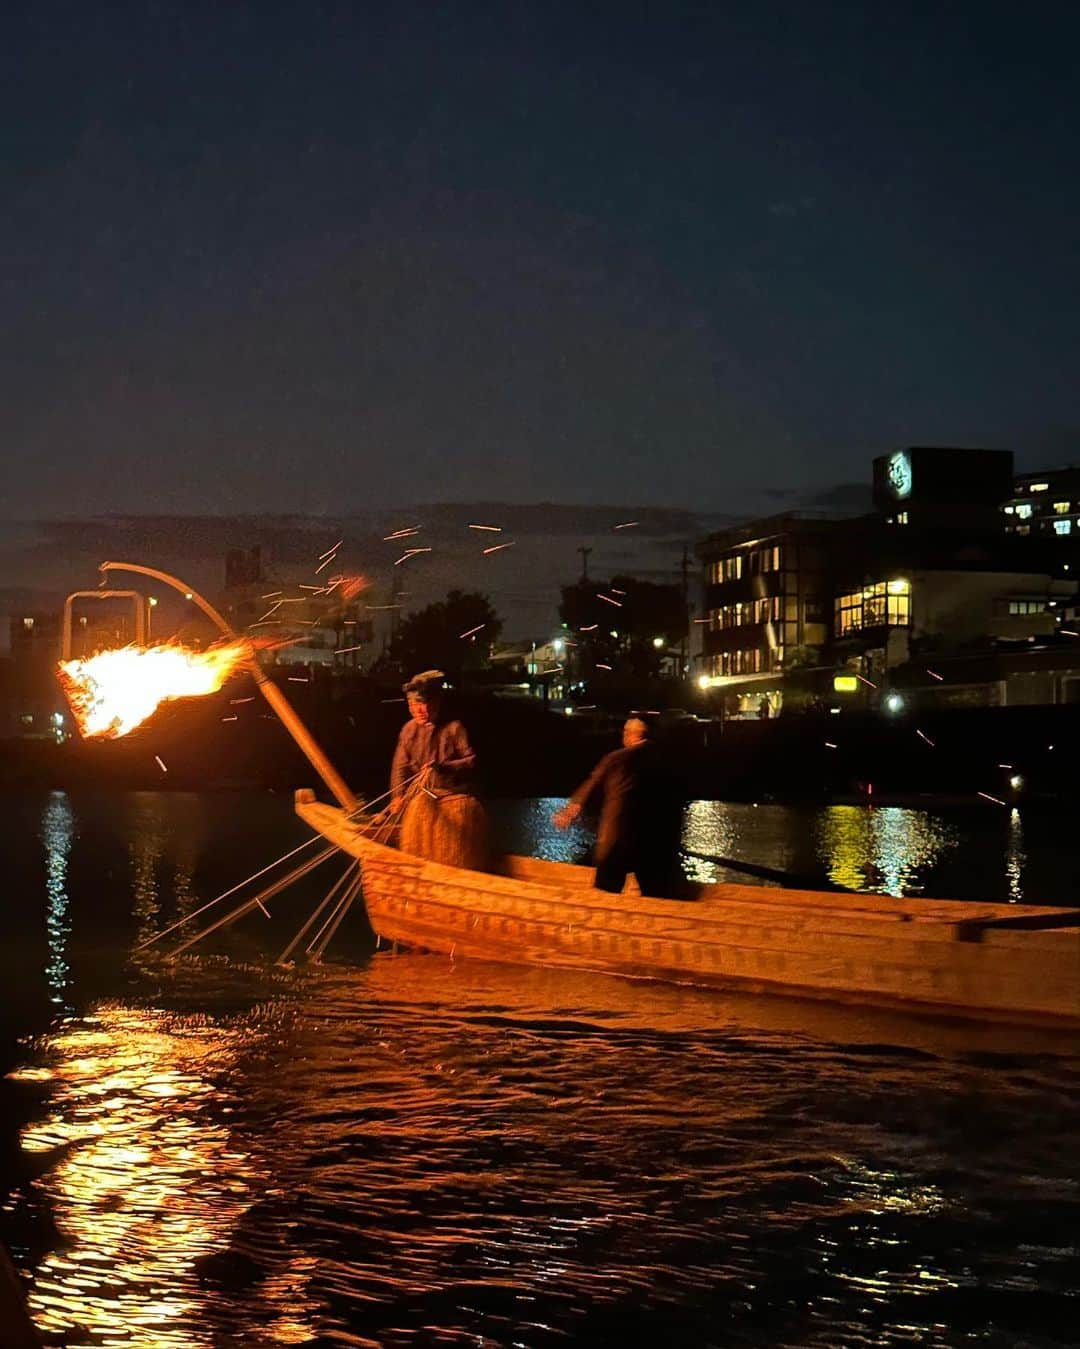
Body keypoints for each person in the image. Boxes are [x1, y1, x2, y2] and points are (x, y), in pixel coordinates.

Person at [553, 717, 684, 898]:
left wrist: (568, 812)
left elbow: (592, 784)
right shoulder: (663, 759)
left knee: (605, 890)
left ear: (632, 735)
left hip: (618, 838)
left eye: (625, 732)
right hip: (654, 842)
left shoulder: (617, 759)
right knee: (655, 892)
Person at [389, 670, 489, 869]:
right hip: (422, 801)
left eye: (422, 704)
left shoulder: (454, 728)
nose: (417, 710)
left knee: (455, 857)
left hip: (454, 802)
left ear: (435, 704)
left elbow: (471, 762)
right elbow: (400, 766)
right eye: (412, 705)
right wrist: (397, 795)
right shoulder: (408, 731)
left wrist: (442, 768)